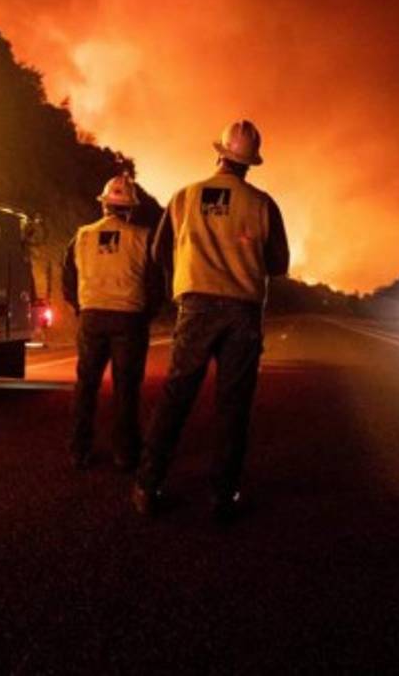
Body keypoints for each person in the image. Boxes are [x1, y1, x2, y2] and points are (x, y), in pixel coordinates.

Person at [132, 119, 289, 520]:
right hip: (243, 311)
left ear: (219, 153)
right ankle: (222, 495)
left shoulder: (184, 197)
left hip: (196, 305)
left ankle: (147, 486)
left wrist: (187, 276)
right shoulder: (262, 204)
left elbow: (158, 252)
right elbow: (278, 264)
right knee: (233, 406)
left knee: (176, 397)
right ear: (250, 163)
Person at [62, 173, 162, 471]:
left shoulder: (81, 237)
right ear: (130, 208)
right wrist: (144, 314)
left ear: (104, 205)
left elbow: (68, 280)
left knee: (86, 385)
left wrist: (82, 308)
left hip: (92, 317)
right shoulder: (144, 237)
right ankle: (125, 453)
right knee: (126, 388)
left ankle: (79, 450)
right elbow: (156, 285)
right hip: (130, 319)